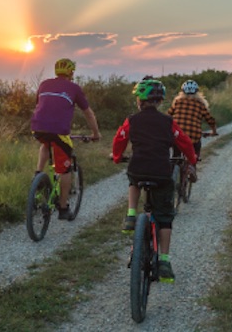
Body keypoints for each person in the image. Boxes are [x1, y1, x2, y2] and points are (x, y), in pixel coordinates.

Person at [112, 78, 197, 283]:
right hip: (161, 172)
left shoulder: (131, 120)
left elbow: (119, 138)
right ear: (160, 102)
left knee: (133, 179)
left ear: (139, 101)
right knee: (165, 217)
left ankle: (131, 215)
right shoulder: (168, 122)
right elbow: (184, 141)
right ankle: (165, 262)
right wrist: (192, 160)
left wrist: (116, 157)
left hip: (138, 169)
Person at [30, 58, 101, 220]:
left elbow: (39, 105)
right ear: (71, 72)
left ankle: (38, 174)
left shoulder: (44, 84)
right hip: (59, 131)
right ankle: (63, 207)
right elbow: (88, 113)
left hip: (37, 127)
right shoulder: (74, 88)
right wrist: (95, 134)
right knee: (65, 169)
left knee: (46, 143)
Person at [167, 79, 218, 180]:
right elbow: (210, 120)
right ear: (198, 92)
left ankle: (173, 171)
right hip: (193, 135)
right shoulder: (200, 104)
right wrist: (214, 131)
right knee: (196, 147)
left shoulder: (177, 102)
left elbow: (168, 116)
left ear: (182, 92)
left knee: (176, 155)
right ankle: (192, 167)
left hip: (177, 135)